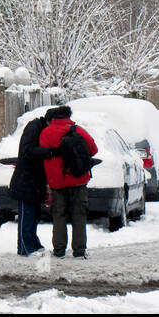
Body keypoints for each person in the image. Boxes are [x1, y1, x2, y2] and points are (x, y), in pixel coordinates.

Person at [39, 105, 98, 259]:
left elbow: (42, 153)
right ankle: (79, 251)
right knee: (79, 215)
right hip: (78, 179)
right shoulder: (78, 130)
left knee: (59, 215)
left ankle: (59, 250)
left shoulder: (46, 132)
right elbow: (93, 149)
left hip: (56, 182)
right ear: (68, 116)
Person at [7, 112, 57, 256]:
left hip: (34, 179)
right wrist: (48, 152)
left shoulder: (39, 128)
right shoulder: (34, 127)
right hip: (26, 180)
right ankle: (25, 247)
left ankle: (33, 243)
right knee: (27, 215)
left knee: (34, 215)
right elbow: (27, 151)